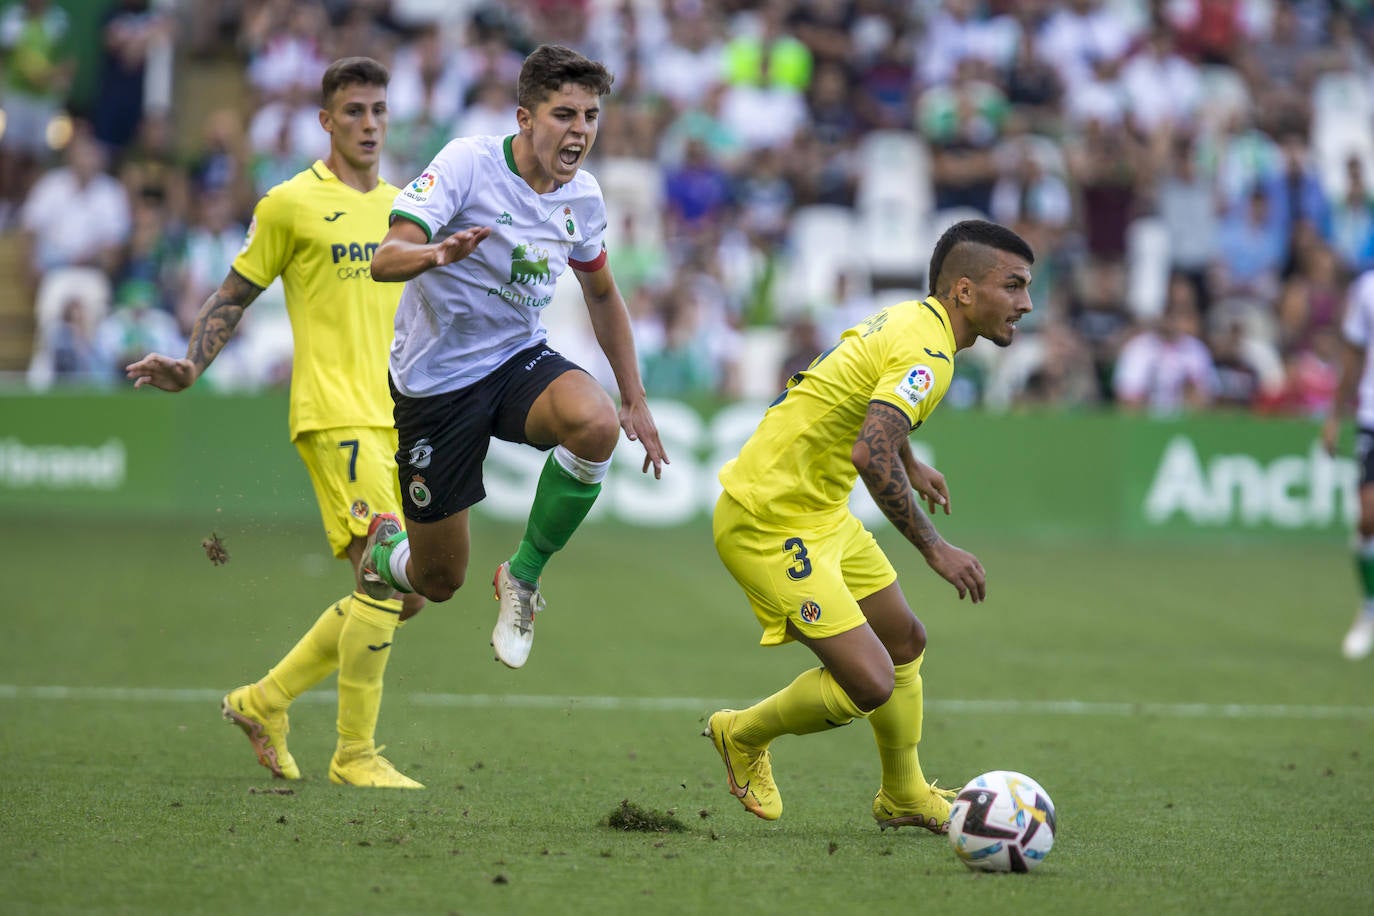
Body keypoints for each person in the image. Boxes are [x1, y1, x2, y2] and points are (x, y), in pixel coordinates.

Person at [125, 57, 426, 789]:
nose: (368, 124)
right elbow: (236, 292)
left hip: (394, 416)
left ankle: (264, 701)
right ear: (326, 121)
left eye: (379, 111)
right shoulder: (290, 203)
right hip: (332, 412)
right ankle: (355, 754)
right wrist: (193, 365)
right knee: (388, 578)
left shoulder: (404, 209)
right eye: (353, 111)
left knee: (406, 592)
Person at [705, 219, 1034, 832]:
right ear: (964, 291)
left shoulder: (912, 319)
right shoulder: (930, 353)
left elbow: (864, 400)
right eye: (1013, 286)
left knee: (905, 640)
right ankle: (741, 735)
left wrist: (909, 461)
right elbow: (867, 451)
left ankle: (904, 794)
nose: (1025, 303)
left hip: (820, 512)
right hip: (768, 521)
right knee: (871, 680)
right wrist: (935, 550)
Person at [364, 44, 668, 670]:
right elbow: (385, 259)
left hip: (515, 360)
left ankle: (522, 578)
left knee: (596, 422)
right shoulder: (467, 164)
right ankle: (384, 553)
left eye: (589, 116)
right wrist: (437, 254)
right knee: (438, 580)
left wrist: (634, 396)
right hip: (435, 385)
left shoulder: (582, 198)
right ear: (526, 118)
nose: (580, 131)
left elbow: (603, 293)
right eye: (564, 115)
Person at [1322, 268, 1374, 660]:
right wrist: (1334, 416)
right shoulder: (1367, 290)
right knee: (1369, 516)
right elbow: (1354, 356)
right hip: (1373, 417)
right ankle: (1370, 608)